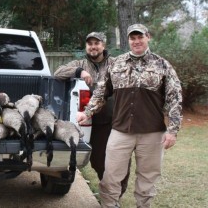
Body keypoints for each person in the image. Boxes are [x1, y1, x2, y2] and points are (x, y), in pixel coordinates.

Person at [77, 24, 183, 208]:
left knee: (147, 178)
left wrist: (172, 131)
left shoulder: (162, 64)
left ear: (147, 37)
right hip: (120, 131)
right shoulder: (116, 64)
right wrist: (87, 112)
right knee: (110, 176)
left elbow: (175, 98)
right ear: (128, 41)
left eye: (140, 37)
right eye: (132, 38)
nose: (136, 41)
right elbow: (101, 92)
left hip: (152, 133)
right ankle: (109, 205)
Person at [54, 32, 129, 195]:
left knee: (120, 158)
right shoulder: (80, 63)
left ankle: (117, 193)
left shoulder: (115, 64)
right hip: (90, 123)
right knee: (97, 161)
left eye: (97, 43)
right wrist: (79, 72)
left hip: (114, 121)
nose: (93, 46)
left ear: (103, 46)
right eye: (90, 44)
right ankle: (110, 191)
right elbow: (58, 72)